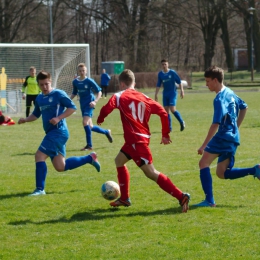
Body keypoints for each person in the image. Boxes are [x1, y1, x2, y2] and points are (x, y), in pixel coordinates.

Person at [97, 69, 190, 213]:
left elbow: (107, 107)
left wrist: (101, 118)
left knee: (151, 173)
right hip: (135, 141)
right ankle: (125, 198)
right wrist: (165, 134)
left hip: (136, 142)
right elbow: (163, 113)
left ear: (122, 83)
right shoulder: (144, 97)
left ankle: (181, 196)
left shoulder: (119, 95)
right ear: (134, 82)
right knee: (119, 161)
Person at [18, 70, 101, 196]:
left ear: (50, 82)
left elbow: (72, 108)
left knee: (39, 156)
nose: (44, 87)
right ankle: (90, 158)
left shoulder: (58, 94)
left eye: (46, 84)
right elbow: (36, 114)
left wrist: (59, 118)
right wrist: (25, 119)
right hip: (52, 133)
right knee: (60, 166)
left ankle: (40, 189)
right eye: (41, 85)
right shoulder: (39, 98)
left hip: (59, 132)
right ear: (38, 84)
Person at [194, 66, 260, 207]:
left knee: (203, 163)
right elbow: (244, 107)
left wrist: (204, 145)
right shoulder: (230, 92)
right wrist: (236, 127)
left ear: (215, 80)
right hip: (233, 138)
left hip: (223, 137)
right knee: (222, 173)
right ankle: (255, 170)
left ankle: (209, 201)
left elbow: (215, 124)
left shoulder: (219, 99)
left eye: (207, 81)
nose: (206, 85)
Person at [70, 63, 113, 151]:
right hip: (82, 104)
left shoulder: (89, 81)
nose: (82, 72)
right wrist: (68, 100)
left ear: (86, 71)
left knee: (85, 122)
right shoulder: (75, 82)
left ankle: (89, 146)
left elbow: (99, 91)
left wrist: (95, 101)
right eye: (80, 71)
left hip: (89, 104)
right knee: (90, 126)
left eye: (83, 71)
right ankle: (106, 132)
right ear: (78, 72)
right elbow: (74, 93)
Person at [155, 59, 185, 132]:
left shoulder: (172, 72)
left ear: (168, 64)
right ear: (161, 65)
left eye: (165, 64)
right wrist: (156, 94)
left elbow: (179, 81)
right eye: (163, 64)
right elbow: (158, 84)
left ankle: (182, 122)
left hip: (172, 93)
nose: (164, 66)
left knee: (172, 109)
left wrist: (182, 90)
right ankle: (169, 128)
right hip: (165, 94)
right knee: (166, 111)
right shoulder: (160, 74)